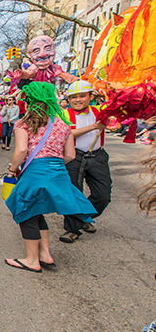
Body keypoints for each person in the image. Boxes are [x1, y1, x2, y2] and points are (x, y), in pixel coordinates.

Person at [3, 82, 97, 272]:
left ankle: (32, 260)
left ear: (28, 101)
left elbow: (21, 149)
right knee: (37, 211)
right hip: (58, 173)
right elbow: (70, 155)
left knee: (25, 211)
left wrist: (12, 169)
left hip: (35, 173)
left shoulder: (24, 123)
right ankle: (45, 254)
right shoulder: (62, 124)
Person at [60, 80, 111, 244]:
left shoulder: (100, 111)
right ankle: (72, 229)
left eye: (82, 96)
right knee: (73, 193)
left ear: (90, 96)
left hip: (97, 156)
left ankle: (84, 216)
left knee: (103, 195)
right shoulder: (65, 114)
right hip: (74, 157)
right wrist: (95, 127)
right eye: (74, 97)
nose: (78, 100)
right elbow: (67, 134)